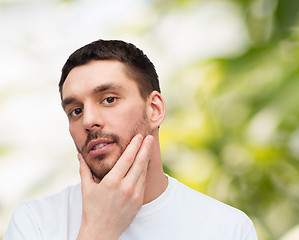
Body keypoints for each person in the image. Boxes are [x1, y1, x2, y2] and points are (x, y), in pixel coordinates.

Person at [4, 40, 258, 240]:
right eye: (76, 111)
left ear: (154, 109)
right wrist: (98, 232)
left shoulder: (226, 228)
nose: (88, 120)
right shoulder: (35, 223)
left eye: (109, 99)